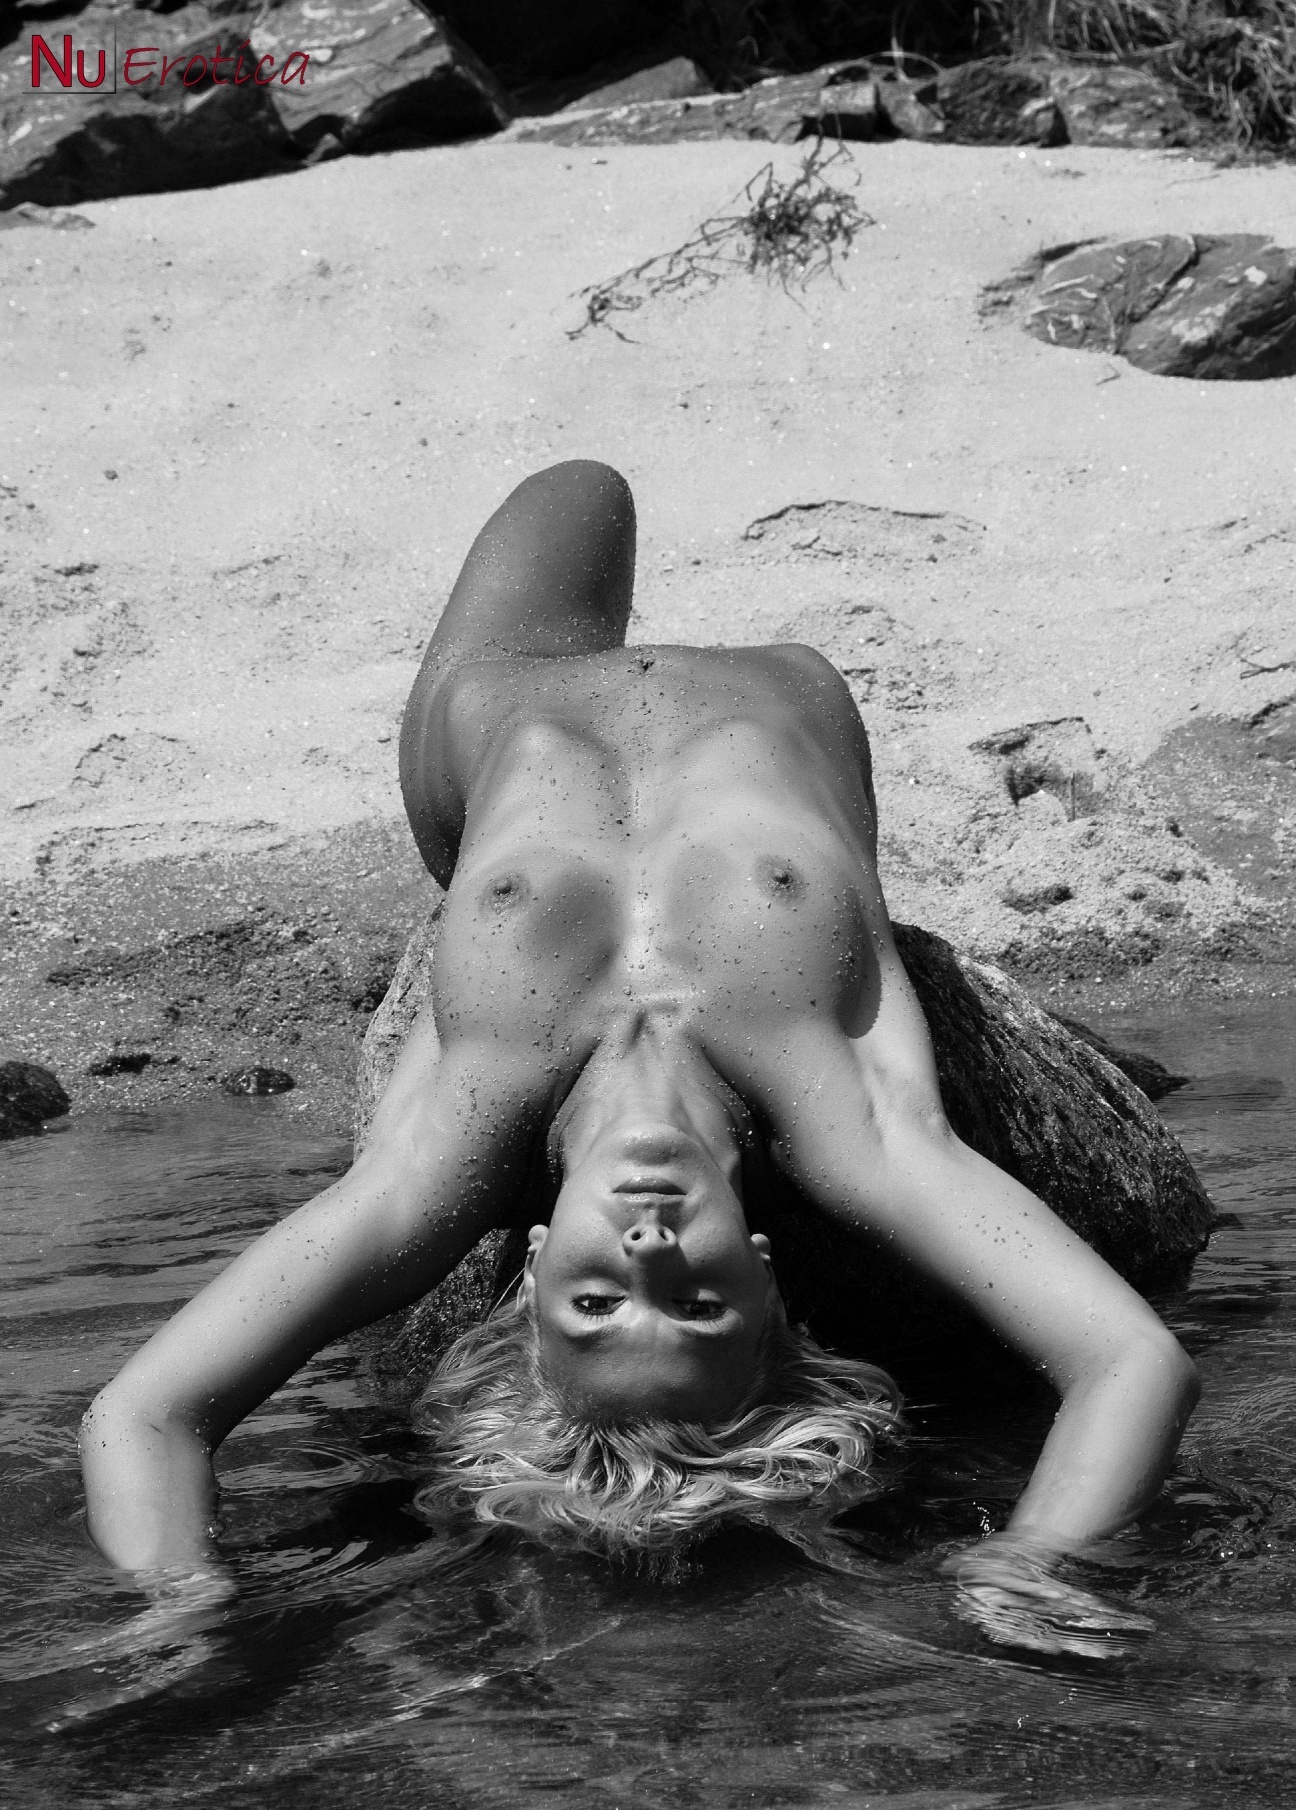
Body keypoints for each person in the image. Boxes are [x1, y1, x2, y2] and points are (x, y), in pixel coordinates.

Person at [80, 460, 1200, 1654]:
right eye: (699, 1303)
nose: (650, 1245)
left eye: (599, 1299)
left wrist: (177, 1608)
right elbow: (1132, 1363)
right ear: (766, 1286)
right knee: (615, 484)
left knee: (579, 487)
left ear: (533, 1280)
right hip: (780, 692)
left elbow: (143, 1415)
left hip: (501, 701)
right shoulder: (849, 1125)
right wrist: (1033, 1566)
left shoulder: (447, 1154)